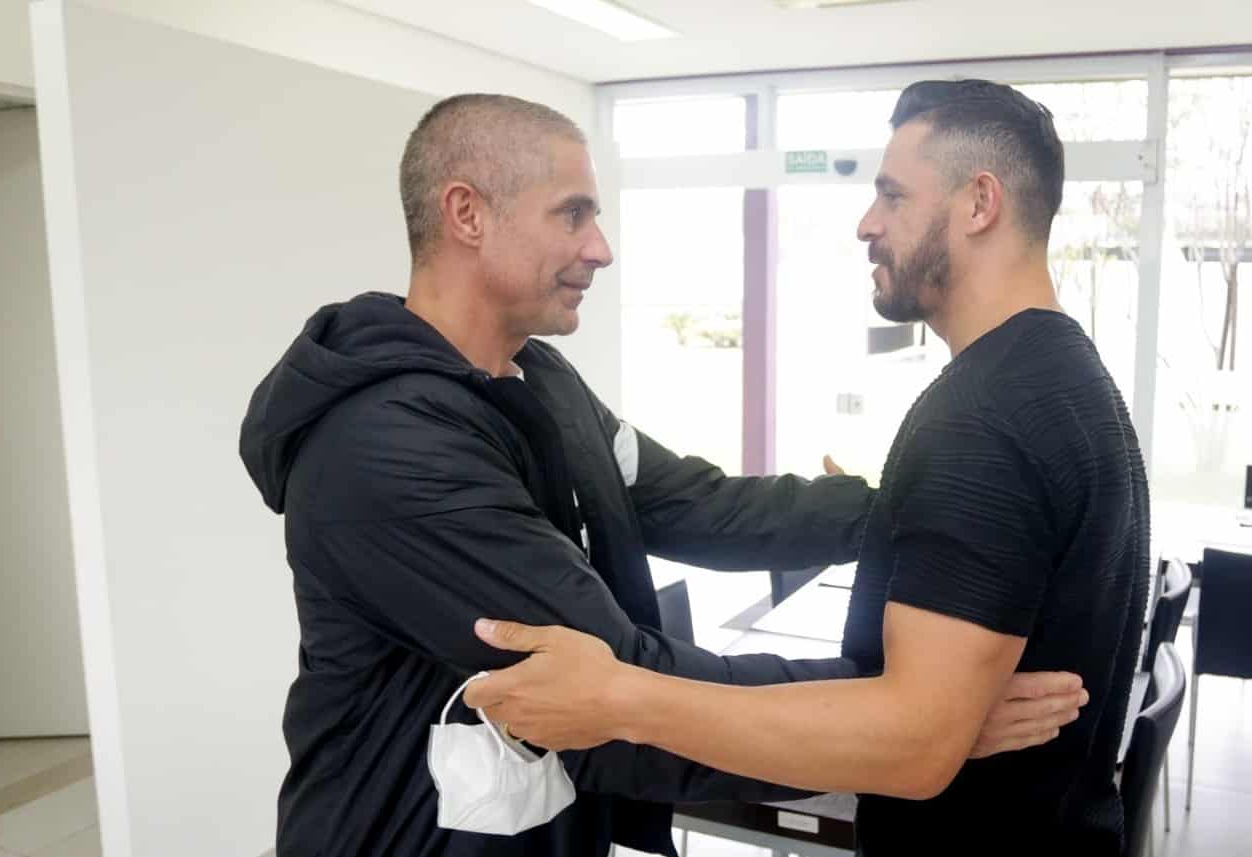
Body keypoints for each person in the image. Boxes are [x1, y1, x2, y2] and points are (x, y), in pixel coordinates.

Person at [240, 92, 1089, 857]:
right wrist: (901, 713)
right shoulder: (388, 449)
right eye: (573, 215)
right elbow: (617, 685)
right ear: (467, 213)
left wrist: (910, 514)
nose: (600, 249)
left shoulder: (542, 381)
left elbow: (696, 502)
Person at [465, 80, 1150, 856]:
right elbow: (694, 501)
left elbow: (913, 746)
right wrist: (927, 713)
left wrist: (625, 697)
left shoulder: (982, 418)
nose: (867, 223)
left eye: (892, 195)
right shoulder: (1066, 375)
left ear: (979, 204)